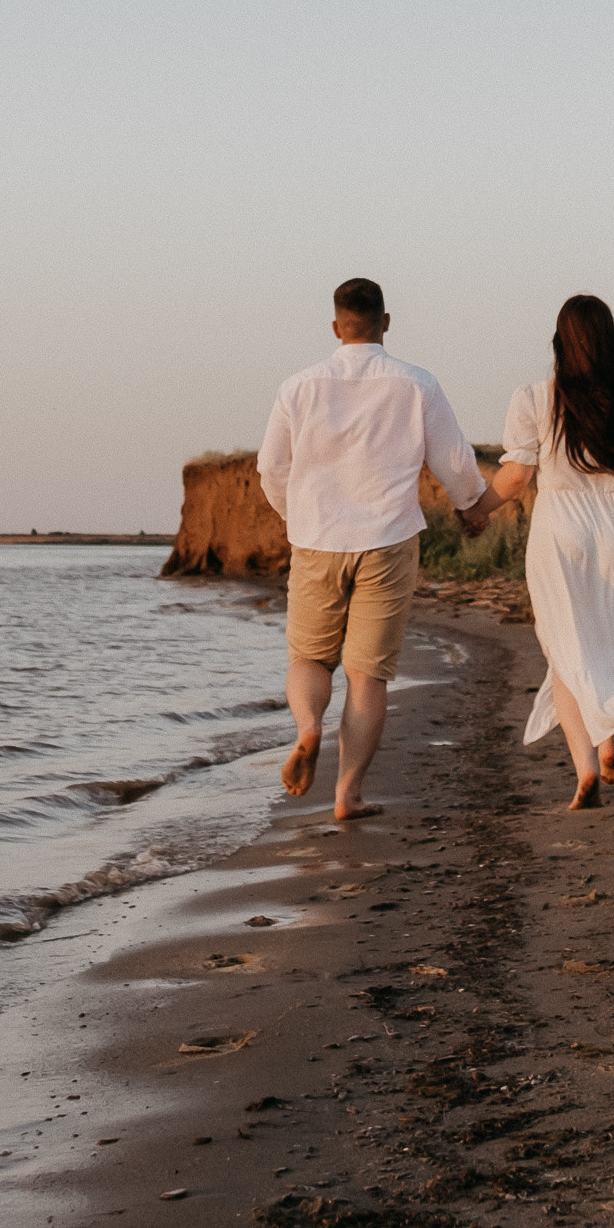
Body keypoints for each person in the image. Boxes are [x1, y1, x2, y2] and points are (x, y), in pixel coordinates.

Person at [258, 276, 490, 824]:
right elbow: (454, 462)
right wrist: (470, 506)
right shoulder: (417, 383)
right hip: (387, 540)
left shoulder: (298, 386)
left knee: (309, 658)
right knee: (368, 675)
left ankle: (308, 728)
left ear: (336, 327)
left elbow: (271, 468)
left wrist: (298, 516)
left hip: (317, 540)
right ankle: (348, 794)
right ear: (385, 322)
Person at [480, 293, 614, 809]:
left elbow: (516, 477)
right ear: (609, 341)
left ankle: (586, 771)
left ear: (559, 343)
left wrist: (476, 508)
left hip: (561, 529)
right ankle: (609, 744)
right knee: (611, 638)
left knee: (566, 647)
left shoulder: (533, 398)